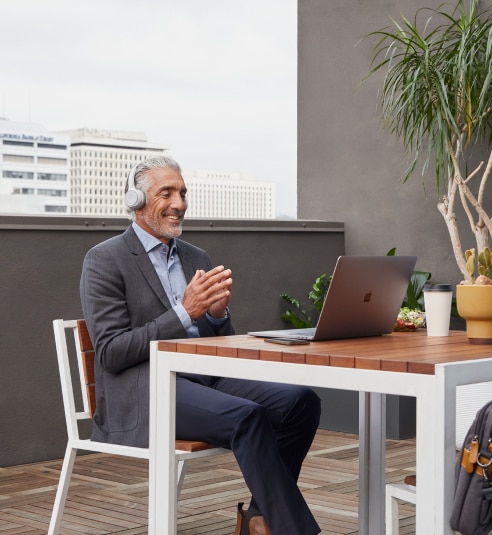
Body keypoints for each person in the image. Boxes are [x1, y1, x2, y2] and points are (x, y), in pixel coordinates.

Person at [80, 155, 322, 535]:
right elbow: (111, 352)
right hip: (149, 389)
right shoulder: (105, 260)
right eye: (167, 193)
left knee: (300, 402)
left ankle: (260, 517)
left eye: (183, 193)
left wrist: (216, 317)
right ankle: (292, 530)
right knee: (247, 416)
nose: (179, 203)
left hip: (205, 377)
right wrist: (184, 312)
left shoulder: (196, 256)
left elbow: (221, 344)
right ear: (136, 201)